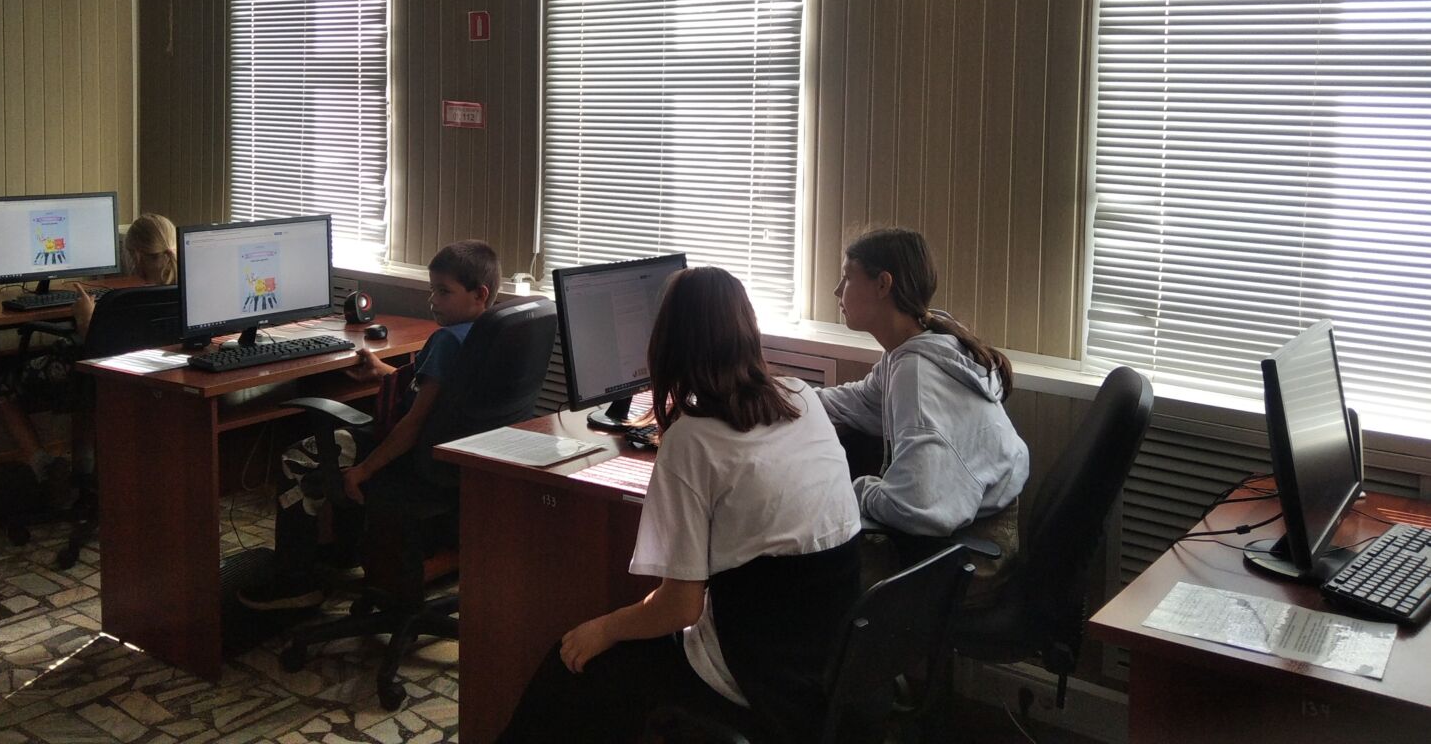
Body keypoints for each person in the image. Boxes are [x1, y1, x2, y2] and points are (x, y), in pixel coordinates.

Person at [498, 267, 863, 744]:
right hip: (823, 662)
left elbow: (680, 608)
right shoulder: (801, 396)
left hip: (751, 675)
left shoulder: (691, 439)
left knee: (570, 662)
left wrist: (602, 629)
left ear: (667, 342)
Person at [238, 239, 500, 611]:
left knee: (296, 458)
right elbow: (436, 398)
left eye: (444, 292)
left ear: (479, 294)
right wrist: (383, 373)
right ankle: (342, 556)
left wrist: (364, 470)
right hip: (454, 462)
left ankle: (295, 582)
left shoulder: (445, 340)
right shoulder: (488, 334)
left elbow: (412, 423)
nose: (432, 301)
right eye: (432, 290)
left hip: (410, 457)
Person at [818, 227, 1029, 596]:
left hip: (973, 558)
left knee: (824, 580)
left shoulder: (917, 372)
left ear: (883, 284)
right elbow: (865, 401)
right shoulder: (920, 345)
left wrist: (854, 489)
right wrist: (794, 397)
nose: (838, 291)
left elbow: (917, 508)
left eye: (848, 277)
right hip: (968, 533)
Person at [0, 212, 178, 504]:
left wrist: (86, 320)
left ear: (137, 256)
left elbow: (101, 353)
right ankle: (83, 472)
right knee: (86, 388)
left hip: (106, 380)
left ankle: (43, 466)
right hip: (154, 384)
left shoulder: (122, 301)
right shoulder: (182, 292)